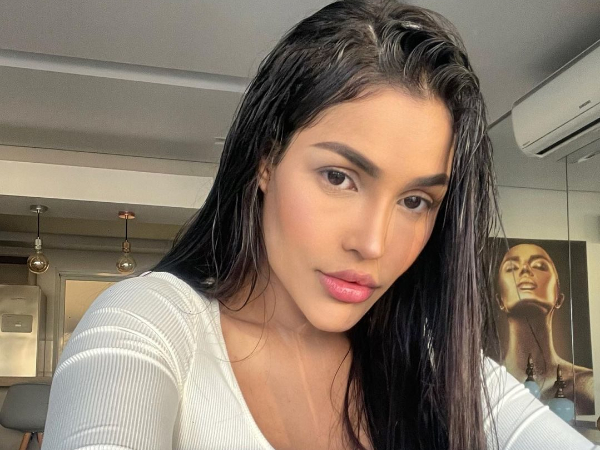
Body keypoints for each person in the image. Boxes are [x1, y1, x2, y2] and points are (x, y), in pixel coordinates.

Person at [43, 1, 600, 449]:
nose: (373, 243)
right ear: (266, 158)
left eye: (415, 201)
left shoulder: (437, 367)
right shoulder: (149, 325)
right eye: (339, 177)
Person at [497, 243, 595, 414]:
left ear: (559, 298)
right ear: (500, 301)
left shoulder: (587, 384)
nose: (525, 270)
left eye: (539, 266)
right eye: (511, 268)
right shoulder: (484, 382)